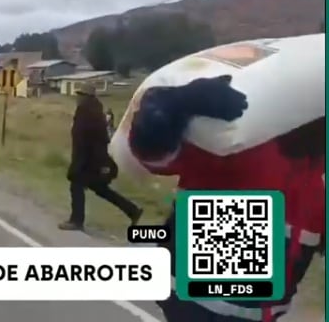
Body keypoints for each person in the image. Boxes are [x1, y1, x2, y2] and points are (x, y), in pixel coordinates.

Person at [128, 75, 325, 322]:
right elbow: (153, 154)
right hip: (195, 309)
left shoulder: (316, 173)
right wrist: (172, 105)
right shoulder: (243, 138)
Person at [58, 83, 142, 231]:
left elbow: (87, 141)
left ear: (86, 97)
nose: (78, 98)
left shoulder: (87, 113)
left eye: (80, 95)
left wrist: (79, 163)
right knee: (101, 189)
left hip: (89, 160)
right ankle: (132, 210)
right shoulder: (92, 111)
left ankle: (76, 220)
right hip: (93, 159)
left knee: (76, 185)